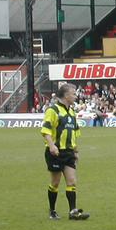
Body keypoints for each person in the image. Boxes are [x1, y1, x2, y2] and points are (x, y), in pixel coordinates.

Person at [40, 83, 90, 220]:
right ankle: (52, 210)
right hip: (55, 152)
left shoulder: (72, 112)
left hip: (68, 152)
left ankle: (73, 211)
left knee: (72, 181)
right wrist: (51, 146)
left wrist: (76, 150)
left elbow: (74, 133)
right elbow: (46, 131)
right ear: (66, 95)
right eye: (73, 94)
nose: (75, 96)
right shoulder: (53, 110)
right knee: (55, 182)